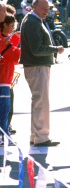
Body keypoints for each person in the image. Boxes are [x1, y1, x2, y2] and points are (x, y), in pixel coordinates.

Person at [20, 0, 64, 146]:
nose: (47, 11)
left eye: (48, 9)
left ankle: (36, 135)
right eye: (44, 9)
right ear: (35, 7)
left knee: (38, 101)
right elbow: (37, 49)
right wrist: (55, 49)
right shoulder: (32, 22)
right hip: (37, 66)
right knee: (41, 102)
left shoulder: (33, 20)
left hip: (36, 66)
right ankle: (42, 137)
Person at [0, 14, 20, 145]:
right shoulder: (5, 41)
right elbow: (14, 56)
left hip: (6, 79)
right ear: (4, 25)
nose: (13, 29)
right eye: (11, 26)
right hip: (3, 80)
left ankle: (5, 135)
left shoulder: (7, 39)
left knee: (6, 109)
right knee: (4, 109)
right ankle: (4, 136)